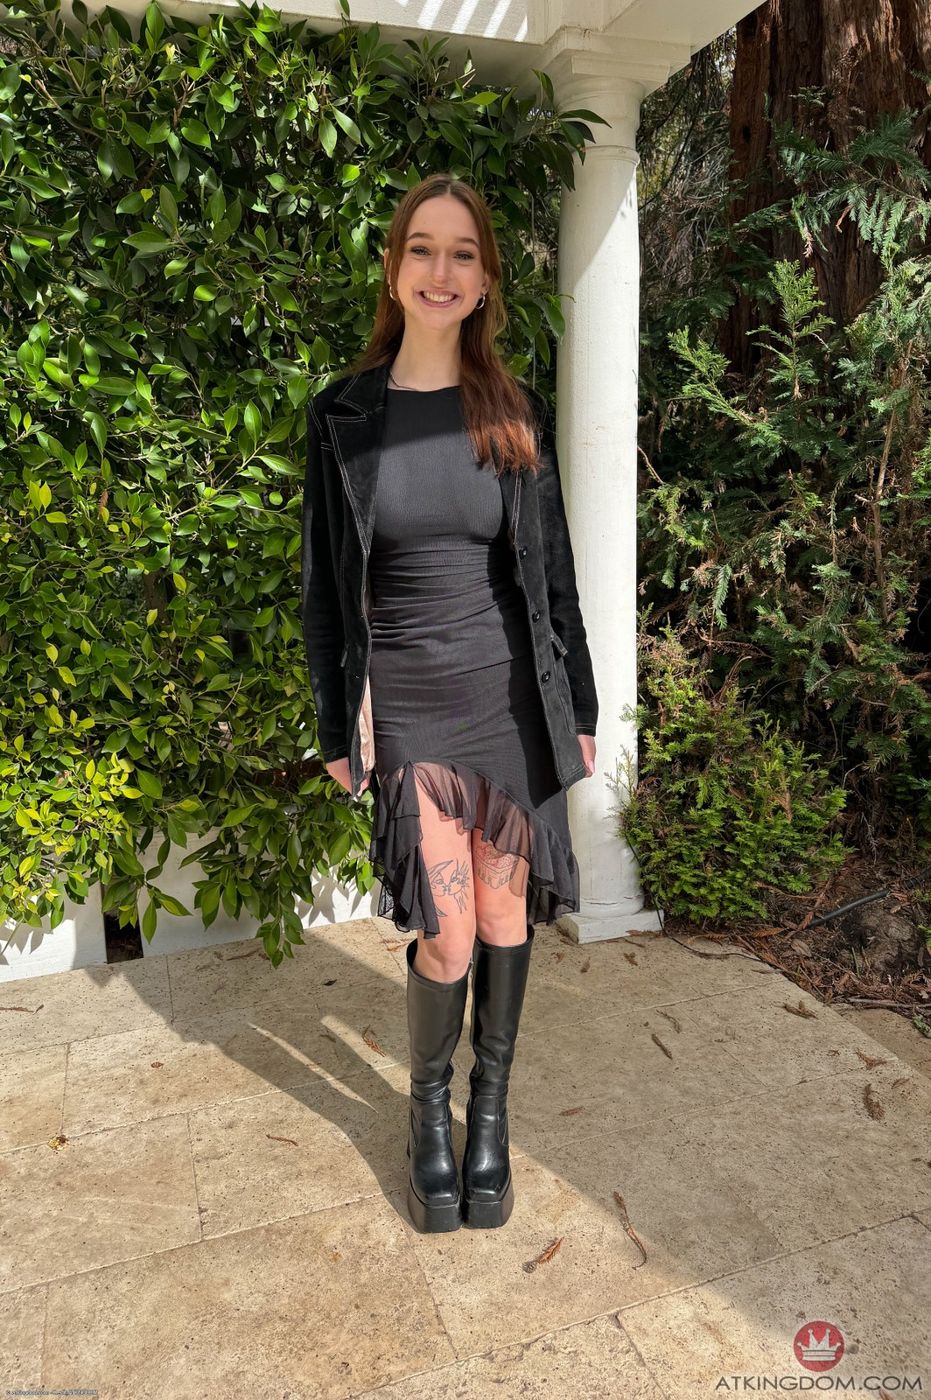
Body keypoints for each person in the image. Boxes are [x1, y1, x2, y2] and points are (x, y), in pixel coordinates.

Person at [301, 172, 598, 1234]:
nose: (441, 270)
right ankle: (428, 1106)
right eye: (422, 248)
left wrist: (581, 711)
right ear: (394, 269)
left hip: (509, 699)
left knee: (508, 915)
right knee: (450, 933)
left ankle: (489, 1114)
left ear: (483, 280)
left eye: (462, 252)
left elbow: (552, 579)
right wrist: (335, 722)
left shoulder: (511, 410)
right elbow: (323, 590)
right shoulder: (342, 415)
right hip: (411, 705)